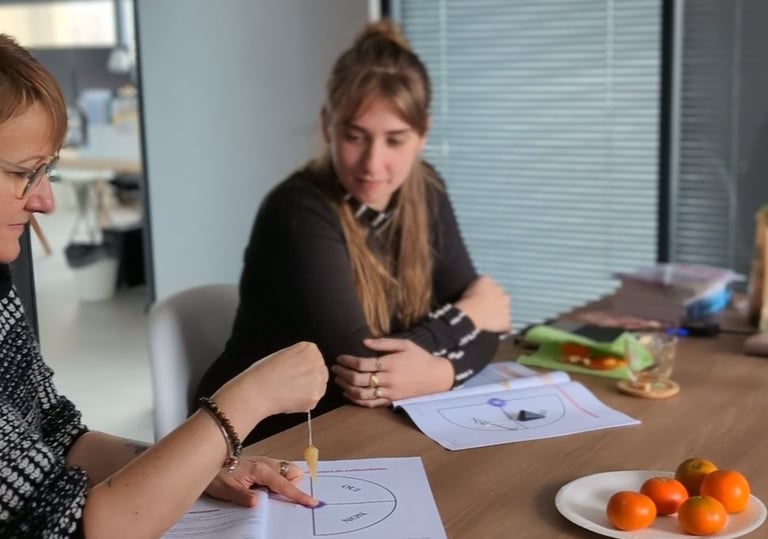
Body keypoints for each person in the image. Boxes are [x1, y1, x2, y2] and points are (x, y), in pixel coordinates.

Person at [0, 34, 328, 538]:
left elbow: (62, 436)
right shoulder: (300, 206)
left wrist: (201, 464)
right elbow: (68, 529)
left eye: (47, 172)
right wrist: (241, 406)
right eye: (24, 173)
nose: (44, 201)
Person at [197, 19, 511, 444]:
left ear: (422, 136)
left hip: (366, 426)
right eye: (355, 136)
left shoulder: (427, 189)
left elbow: (496, 326)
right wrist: (459, 337)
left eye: (395, 140)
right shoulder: (298, 210)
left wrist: (446, 359)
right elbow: (367, 370)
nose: (372, 163)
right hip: (271, 438)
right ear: (328, 125)